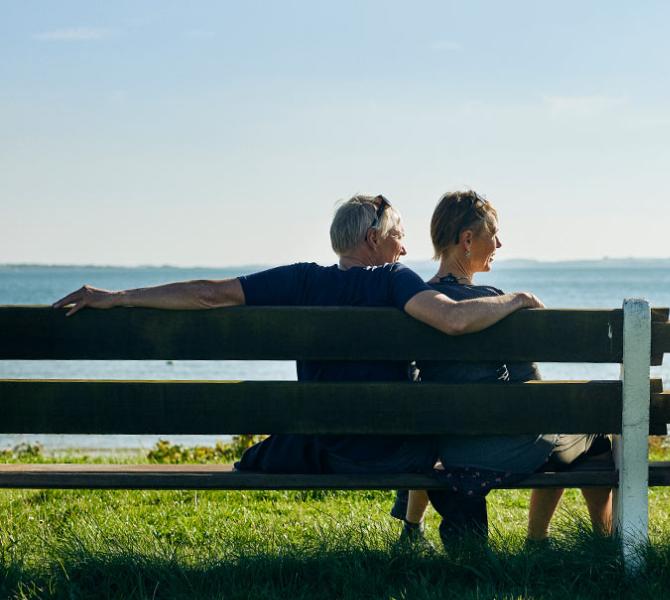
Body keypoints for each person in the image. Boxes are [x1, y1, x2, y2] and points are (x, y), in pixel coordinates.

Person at [52, 194, 544, 538]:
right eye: (398, 236)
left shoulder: (302, 280)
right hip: (393, 455)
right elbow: (451, 320)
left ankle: (415, 530)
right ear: (373, 240)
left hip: (330, 448)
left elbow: (208, 293)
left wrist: (117, 297)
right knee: (444, 449)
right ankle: (460, 548)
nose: (405, 248)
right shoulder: (393, 281)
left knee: (278, 445)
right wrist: (518, 299)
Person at [389, 190, 613, 547]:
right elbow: (532, 389)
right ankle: (559, 542)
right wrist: (521, 299)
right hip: (506, 452)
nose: (499, 242)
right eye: (493, 234)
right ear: (467, 240)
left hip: (441, 450)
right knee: (597, 438)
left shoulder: (415, 304)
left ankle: (411, 532)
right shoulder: (500, 303)